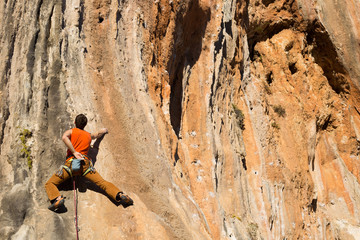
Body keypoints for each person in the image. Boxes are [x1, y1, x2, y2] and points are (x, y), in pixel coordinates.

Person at [45, 114, 133, 211]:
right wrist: (103, 131)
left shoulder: (72, 131)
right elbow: (97, 135)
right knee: (102, 183)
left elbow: (64, 137)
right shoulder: (88, 135)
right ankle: (120, 195)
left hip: (71, 163)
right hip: (85, 165)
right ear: (85, 125)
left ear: (74, 122)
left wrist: (74, 152)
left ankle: (57, 198)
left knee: (50, 183)